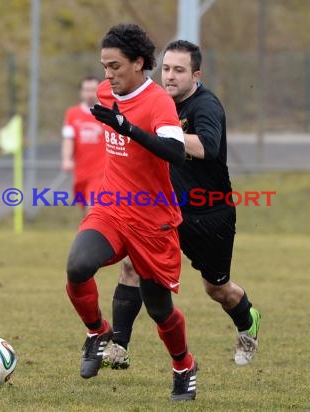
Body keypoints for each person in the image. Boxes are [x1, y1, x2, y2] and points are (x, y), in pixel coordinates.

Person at [102, 40, 261, 370]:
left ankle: (248, 321)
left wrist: (157, 133)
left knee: (217, 289)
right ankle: (118, 346)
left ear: (196, 75)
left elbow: (207, 147)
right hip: (163, 210)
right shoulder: (153, 100)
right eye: (166, 69)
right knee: (132, 266)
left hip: (209, 213)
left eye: (179, 70)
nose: (170, 76)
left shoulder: (206, 106)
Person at [65, 24, 198, 401]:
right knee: (77, 266)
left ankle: (184, 365)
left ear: (139, 63)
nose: (107, 76)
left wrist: (128, 127)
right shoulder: (109, 91)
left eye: (115, 66)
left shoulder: (159, 103)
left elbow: (175, 152)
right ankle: (97, 333)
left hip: (152, 219)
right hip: (111, 208)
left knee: (159, 309)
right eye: (104, 66)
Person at [61, 76, 105, 213]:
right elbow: (68, 139)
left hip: (101, 171)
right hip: (81, 171)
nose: (90, 94)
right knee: (85, 208)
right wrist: (67, 159)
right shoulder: (72, 114)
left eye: (93, 90)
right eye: (87, 90)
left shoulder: (106, 112)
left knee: (93, 208)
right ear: (81, 92)